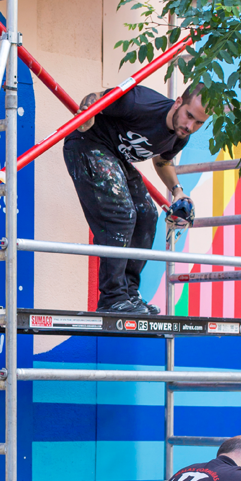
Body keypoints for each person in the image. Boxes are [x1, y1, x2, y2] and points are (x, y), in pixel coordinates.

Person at [64, 83, 208, 314]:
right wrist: (87, 113)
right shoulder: (141, 102)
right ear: (178, 102)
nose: (189, 125)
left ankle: (128, 294)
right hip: (87, 145)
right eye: (188, 116)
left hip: (116, 158)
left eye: (198, 122)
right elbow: (96, 96)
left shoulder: (181, 136)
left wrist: (178, 190)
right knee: (121, 214)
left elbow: (162, 161)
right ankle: (112, 298)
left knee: (147, 215)